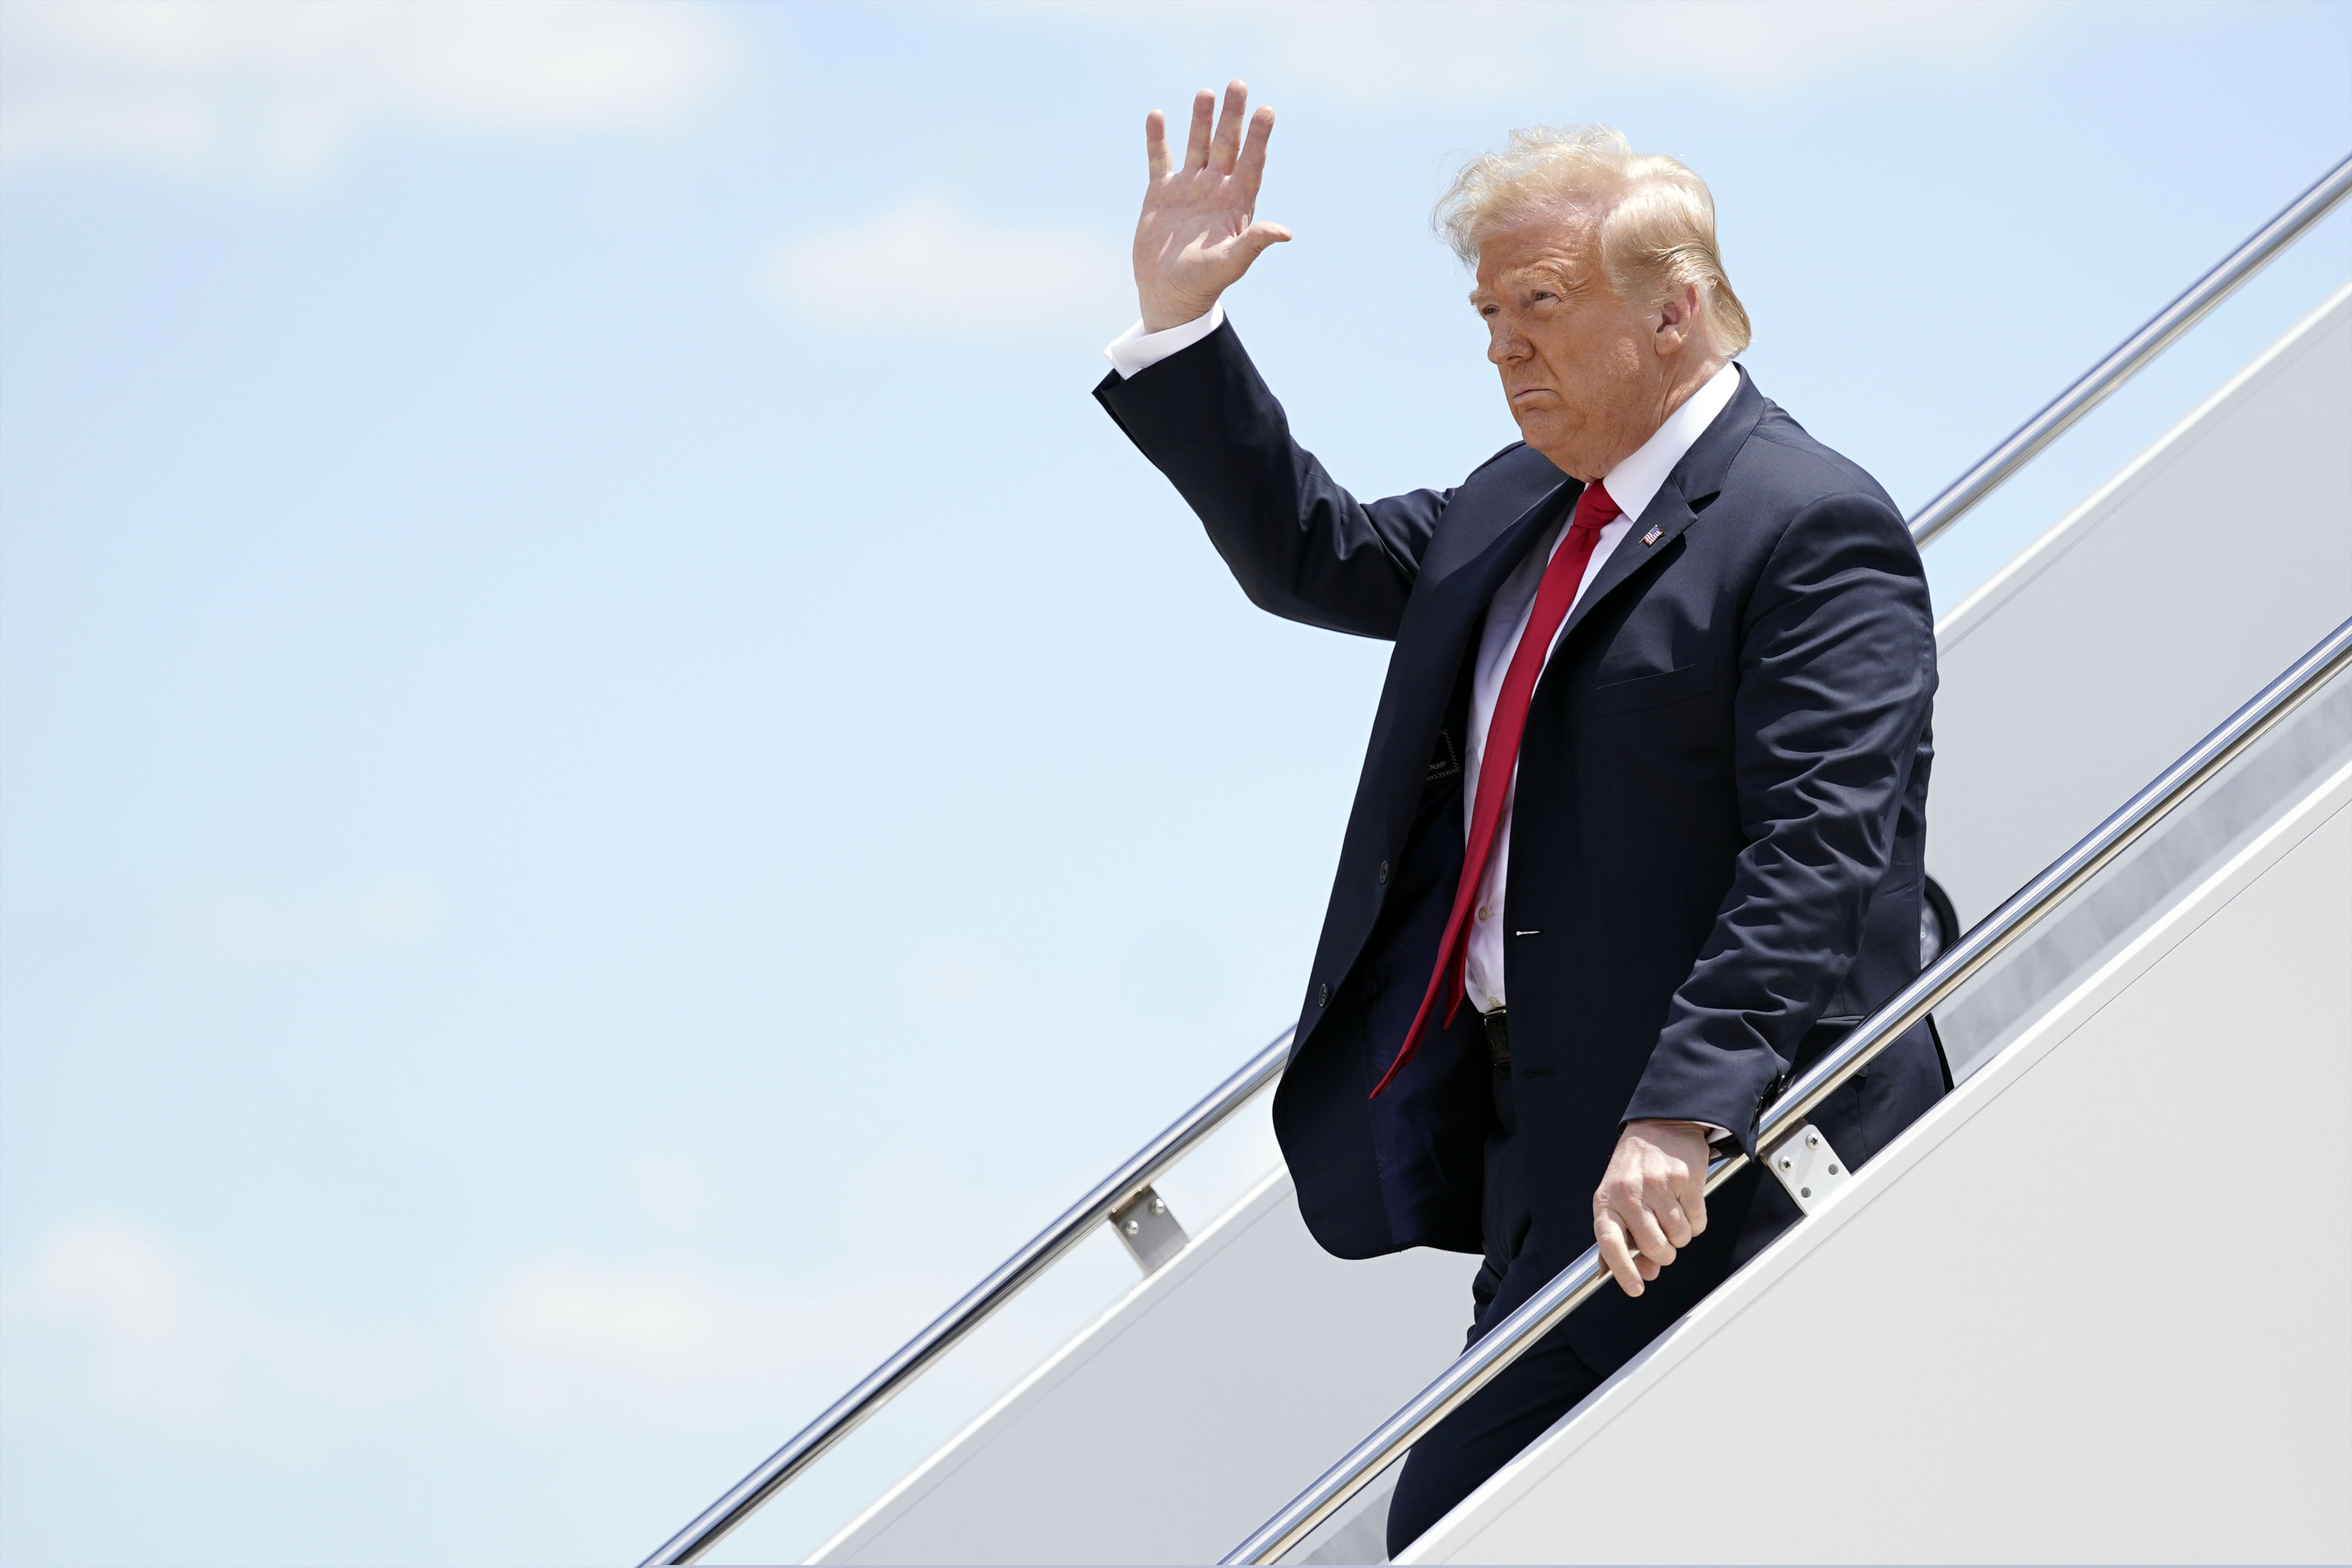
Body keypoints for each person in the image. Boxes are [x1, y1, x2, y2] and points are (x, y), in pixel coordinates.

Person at [1093, 82, 1945, 1555]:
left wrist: (1685, 1108)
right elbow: (1318, 551)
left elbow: (1821, 849)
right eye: (1487, 317)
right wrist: (1183, 331)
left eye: (1538, 304)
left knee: (1479, 1521)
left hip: (1737, 1149)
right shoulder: (1519, 503)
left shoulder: (1809, 525)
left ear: (1675, 312)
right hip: (1550, 1158)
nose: (1502, 348)